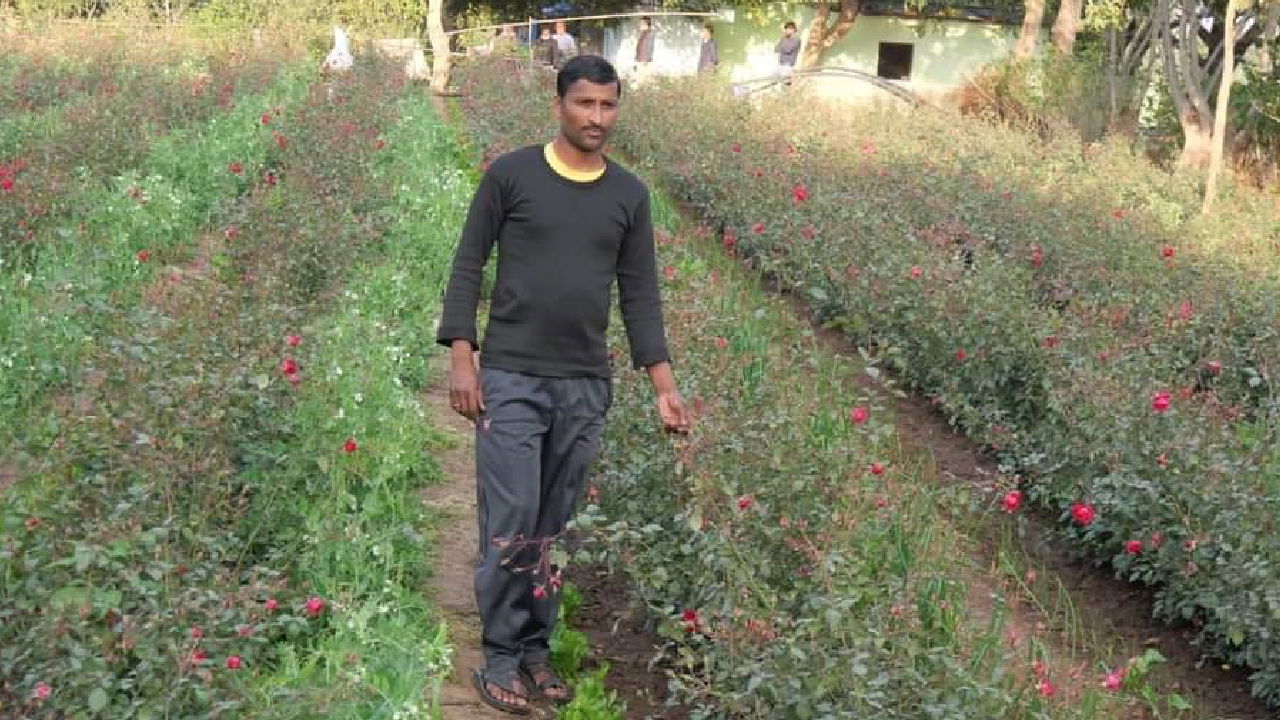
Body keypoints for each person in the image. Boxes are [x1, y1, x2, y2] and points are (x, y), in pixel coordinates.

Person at [437, 54, 693, 715]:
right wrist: (463, 357)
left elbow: (641, 298)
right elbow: (468, 265)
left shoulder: (628, 196)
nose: (596, 118)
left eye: (608, 106)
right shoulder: (512, 175)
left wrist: (663, 385)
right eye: (585, 104)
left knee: (552, 528)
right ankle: (498, 653)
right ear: (560, 105)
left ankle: (534, 650)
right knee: (512, 519)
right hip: (510, 377)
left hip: (584, 385)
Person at [634, 16, 655, 80]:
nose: (640, 24)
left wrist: (637, 53)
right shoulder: (649, 32)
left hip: (644, 55)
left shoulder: (645, 32)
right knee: (643, 70)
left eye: (642, 23)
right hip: (645, 55)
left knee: (642, 71)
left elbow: (640, 44)